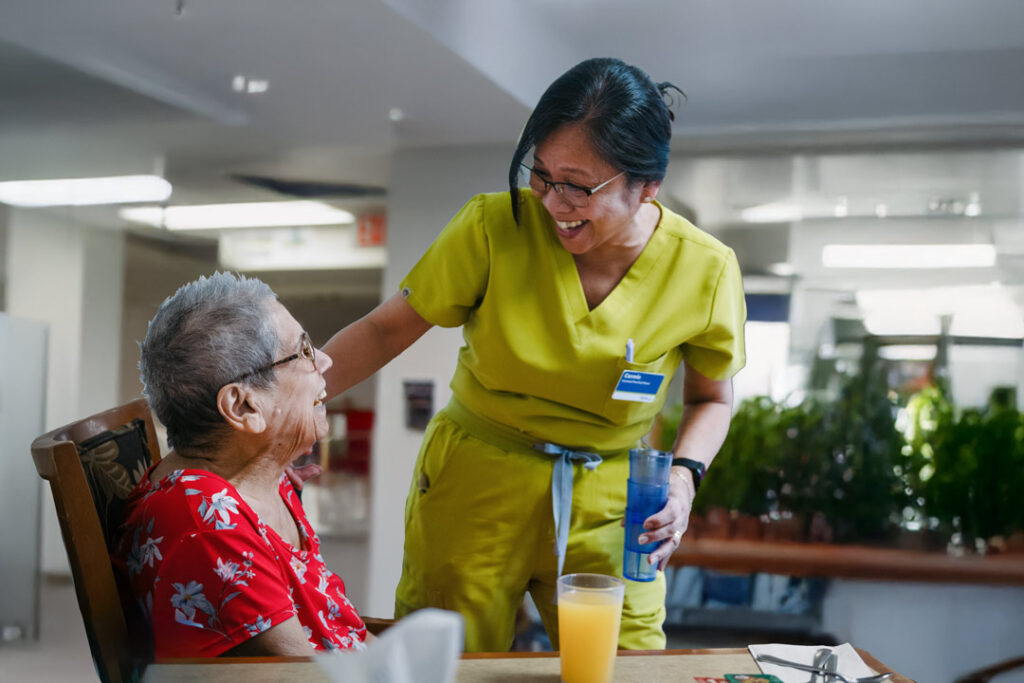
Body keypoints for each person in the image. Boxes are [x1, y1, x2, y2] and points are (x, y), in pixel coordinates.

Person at [320, 57, 746, 651]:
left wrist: (684, 477)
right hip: (477, 484)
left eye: (578, 186)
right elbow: (386, 331)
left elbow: (711, 397)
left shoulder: (704, 269)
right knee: (453, 662)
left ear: (646, 185)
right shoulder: (494, 225)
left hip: (614, 499)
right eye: (541, 174)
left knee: (625, 665)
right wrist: (291, 399)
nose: (552, 202)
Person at [114, 272, 369, 657]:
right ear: (244, 406)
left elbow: (333, 628)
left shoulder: (260, 476)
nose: (327, 360)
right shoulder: (205, 519)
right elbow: (301, 672)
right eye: (303, 352)